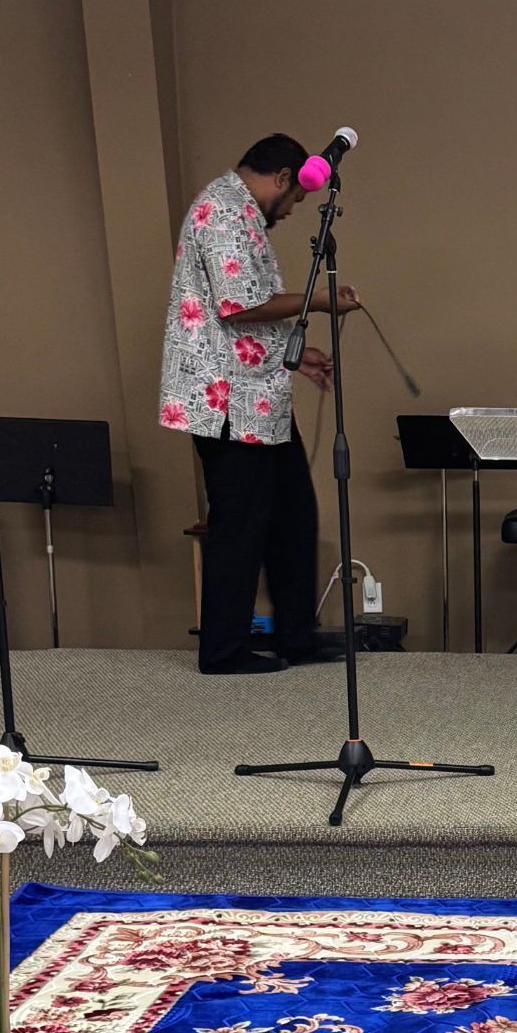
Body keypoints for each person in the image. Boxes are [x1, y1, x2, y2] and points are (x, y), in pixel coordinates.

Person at [158, 133, 358, 675]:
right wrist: (318, 300)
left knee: (293, 513)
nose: (292, 210)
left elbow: (248, 314)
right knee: (240, 525)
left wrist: (299, 355)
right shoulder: (222, 211)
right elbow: (240, 306)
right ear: (285, 178)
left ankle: (297, 637)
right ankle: (223, 651)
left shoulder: (240, 209)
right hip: (225, 399)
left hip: (257, 393)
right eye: (294, 199)